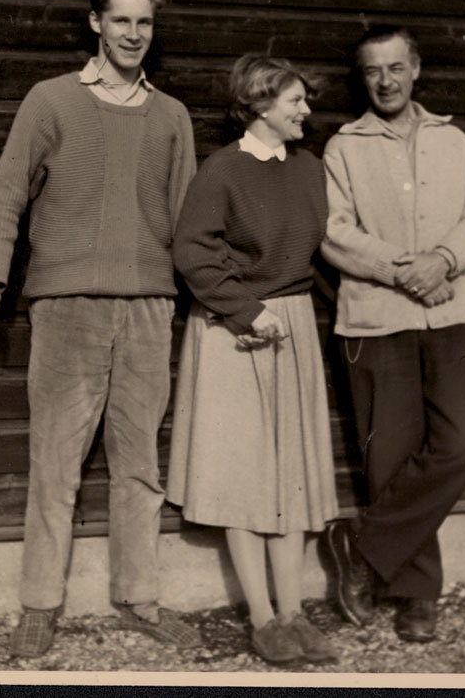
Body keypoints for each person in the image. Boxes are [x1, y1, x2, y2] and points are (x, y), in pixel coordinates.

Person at [0, 0, 201, 656]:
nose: (133, 34)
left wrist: (216, 298)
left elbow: (187, 222)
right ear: (95, 23)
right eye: (120, 19)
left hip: (149, 310)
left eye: (144, 22)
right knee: (55, 464)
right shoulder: (50, 101)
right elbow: (5, 196)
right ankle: (39, 603)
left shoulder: (172, 117)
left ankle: (138, 595)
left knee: (139, 465)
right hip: (66, 312)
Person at [321, 24, 465, 643]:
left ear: (416, 69)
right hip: (378, 318)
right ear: (363, 78)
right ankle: (416, 594)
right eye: (373, 71)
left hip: (452, 316)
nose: (386, 81)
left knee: (460, 447)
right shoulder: (344, 147)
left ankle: (361, 546)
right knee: (391, 456)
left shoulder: (455, 141)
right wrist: (409, 272)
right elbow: (335, 232)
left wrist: (443, 260)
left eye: (396, 68)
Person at [167, 54, 339, 665]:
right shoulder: (222, 171)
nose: (305, 112)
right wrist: (246, 311)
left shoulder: (310, 169)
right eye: (295, 102)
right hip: (233, 327)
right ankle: (262, 619)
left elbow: (326, 250)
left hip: (291, 325)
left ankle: (293, 611)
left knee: (287, 472)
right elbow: (192, 252)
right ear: (261, 103)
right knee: (243, 478)